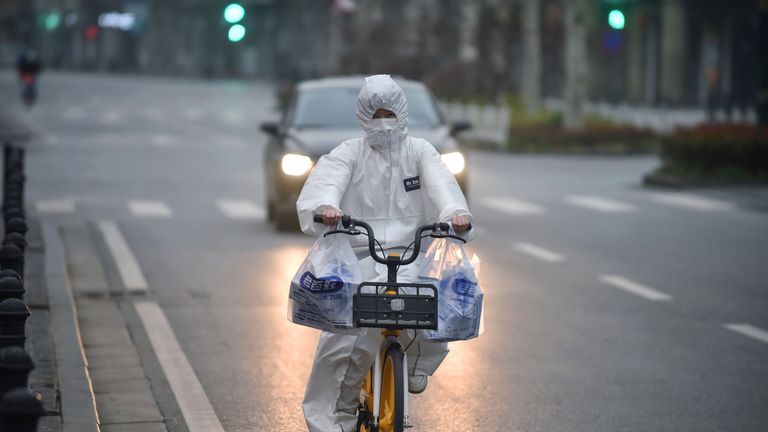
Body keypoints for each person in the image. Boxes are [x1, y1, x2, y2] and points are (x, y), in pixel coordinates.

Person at [296, 74, 473, 432]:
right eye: (375, 114)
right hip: (359, 259)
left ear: (402, 111)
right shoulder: (348, 153)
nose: (383, 121)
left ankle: (412, 366)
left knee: (441, 302)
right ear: (363, 116)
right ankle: (334, 423)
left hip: (412, 257)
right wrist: (325, 206)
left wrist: (455, 214)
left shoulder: (421, 152)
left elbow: (443, 185)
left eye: (388, 112)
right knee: (343, 341)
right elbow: (326, 181)